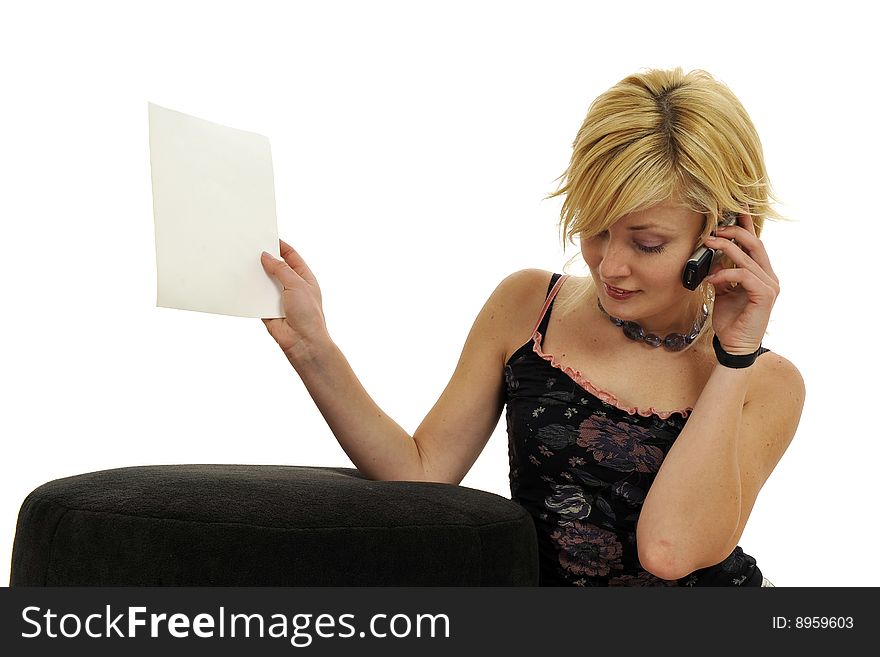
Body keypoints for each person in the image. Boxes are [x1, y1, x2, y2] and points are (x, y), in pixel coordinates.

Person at [259, 67, 805, 587]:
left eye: (647, 244)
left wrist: (734, 357)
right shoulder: (527, 307)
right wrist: (311, 345)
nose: (610, 266)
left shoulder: (765, 382)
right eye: (595, 230)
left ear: (722, 235)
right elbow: (422, 475)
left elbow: (669, 552)